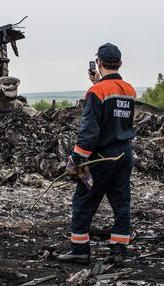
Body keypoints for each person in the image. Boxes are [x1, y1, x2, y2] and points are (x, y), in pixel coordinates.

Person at [57, 43, 136, 265]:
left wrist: (77, 158)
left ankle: (80, 249)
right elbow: (116, 113)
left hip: (103, 157)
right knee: (121, 203)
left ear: (99, 63)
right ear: (120, 63)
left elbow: (89, 130)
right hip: (125, 154)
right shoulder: (129, 89)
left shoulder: (96, 92)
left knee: (83, 201)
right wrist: (97, 82)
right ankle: (118, 251)